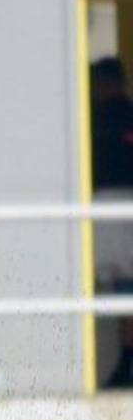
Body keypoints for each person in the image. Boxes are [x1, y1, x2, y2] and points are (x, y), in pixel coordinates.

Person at [89, 57, 133, 387]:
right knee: (123, 286)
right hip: (112, 206)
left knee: (122, 285)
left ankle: (125, 362)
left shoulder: (99, 118)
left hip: (112, 205)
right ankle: (124, 360)